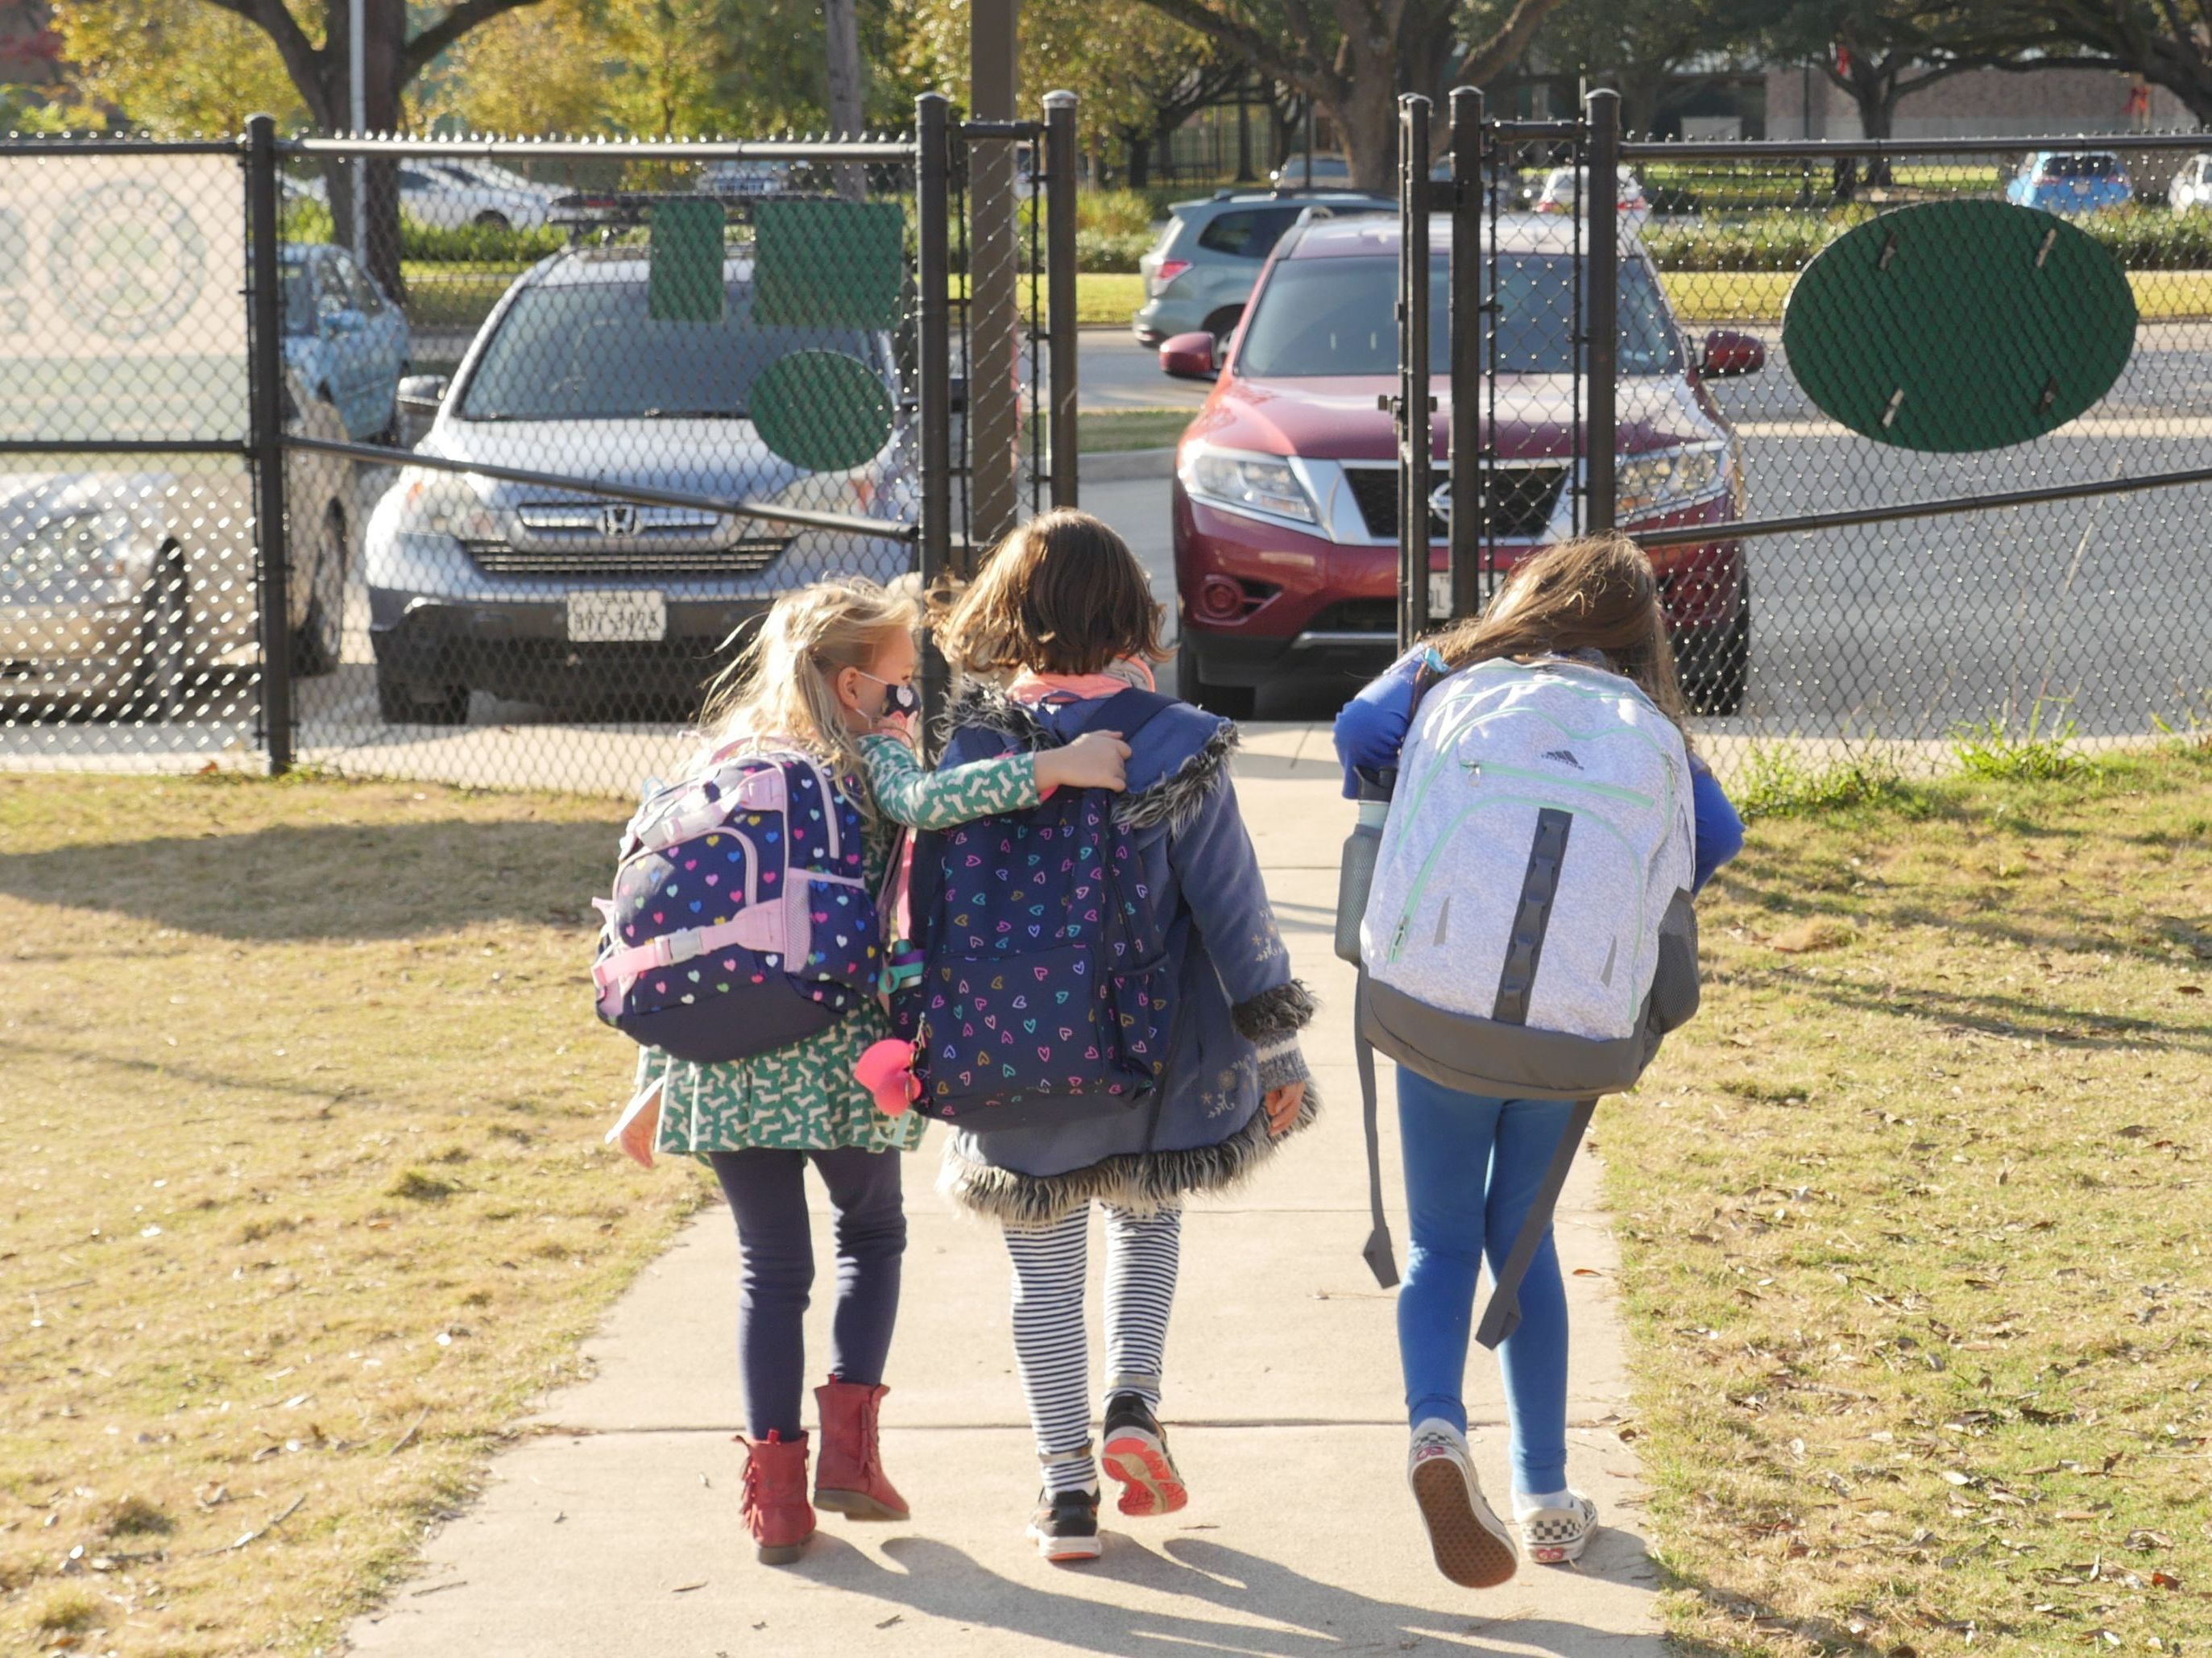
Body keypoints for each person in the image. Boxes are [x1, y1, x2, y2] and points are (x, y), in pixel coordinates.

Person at [628, 577, 1133, 1565]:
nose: (913, 703)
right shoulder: (865, 755)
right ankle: (852, 1458)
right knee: (870, 1234)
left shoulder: (720, 760)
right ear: (854, 686)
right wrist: (1057, 768)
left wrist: (654, 1073)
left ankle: (774, 1500)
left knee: (768, 1272)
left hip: (722, 1063)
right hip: (837, 1049)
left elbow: (668, 926)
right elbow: (933, 804)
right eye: (905, 686)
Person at [1332, 533, 1744, 1582]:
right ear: (1635, 636)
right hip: (1572, 1029)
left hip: (1435, 1006)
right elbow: (1718, 835)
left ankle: (1434, 1431)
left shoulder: (1458, 684)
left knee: (1438, 1246)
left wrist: (1440, 653)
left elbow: (1355, 728)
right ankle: (1546, 1496)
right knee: (1523, 1244)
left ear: (1527, 604)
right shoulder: (1644, 727)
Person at [926, 509, 1319, 1563]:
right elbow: (1235, 915)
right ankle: (1133, 1403)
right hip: (1155, 1054)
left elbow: (913, 904)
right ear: (1131, 614)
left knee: (1039, 1273)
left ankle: (1063, 1492)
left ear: (1005, 613)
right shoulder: (1172, 741)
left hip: (1013, 1054)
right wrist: (1278, 1051)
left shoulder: (964, 752)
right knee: (1145, 1222)